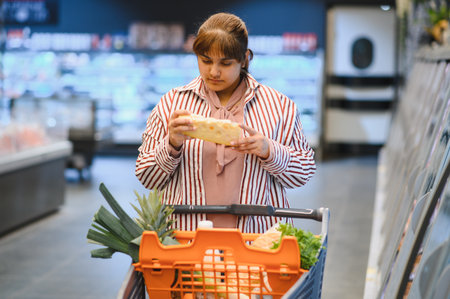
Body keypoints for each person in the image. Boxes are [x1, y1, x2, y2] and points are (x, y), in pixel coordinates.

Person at [135, 12, 316, 233]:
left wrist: (269, 150)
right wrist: (171, 144)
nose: (214, 72)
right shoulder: (171, 103)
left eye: (226, 63)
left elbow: (303, 173)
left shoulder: (279, 106)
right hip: (186, 238)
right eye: (206, 60)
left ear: (245, 58)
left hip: (256, 239)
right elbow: (147, 177)